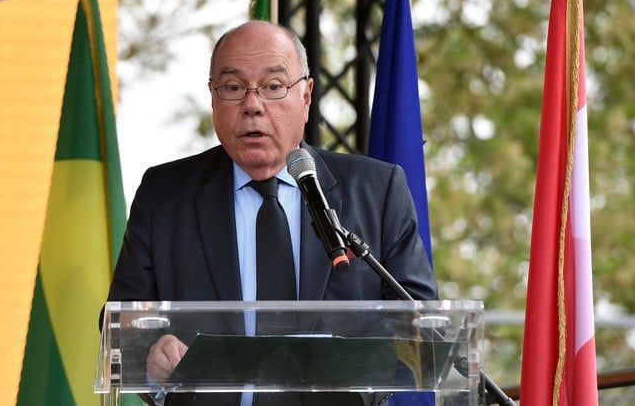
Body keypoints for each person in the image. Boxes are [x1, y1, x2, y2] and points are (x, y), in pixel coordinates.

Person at [105, 20, 437, 405]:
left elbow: (417, 315)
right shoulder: (165, 195)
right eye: (232, 88)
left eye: (273, 87)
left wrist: (355, 364)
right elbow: (121, 324)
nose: (252, 105)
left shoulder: (376, 190)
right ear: (213, 98)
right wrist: (152, 350)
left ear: (307, 96)